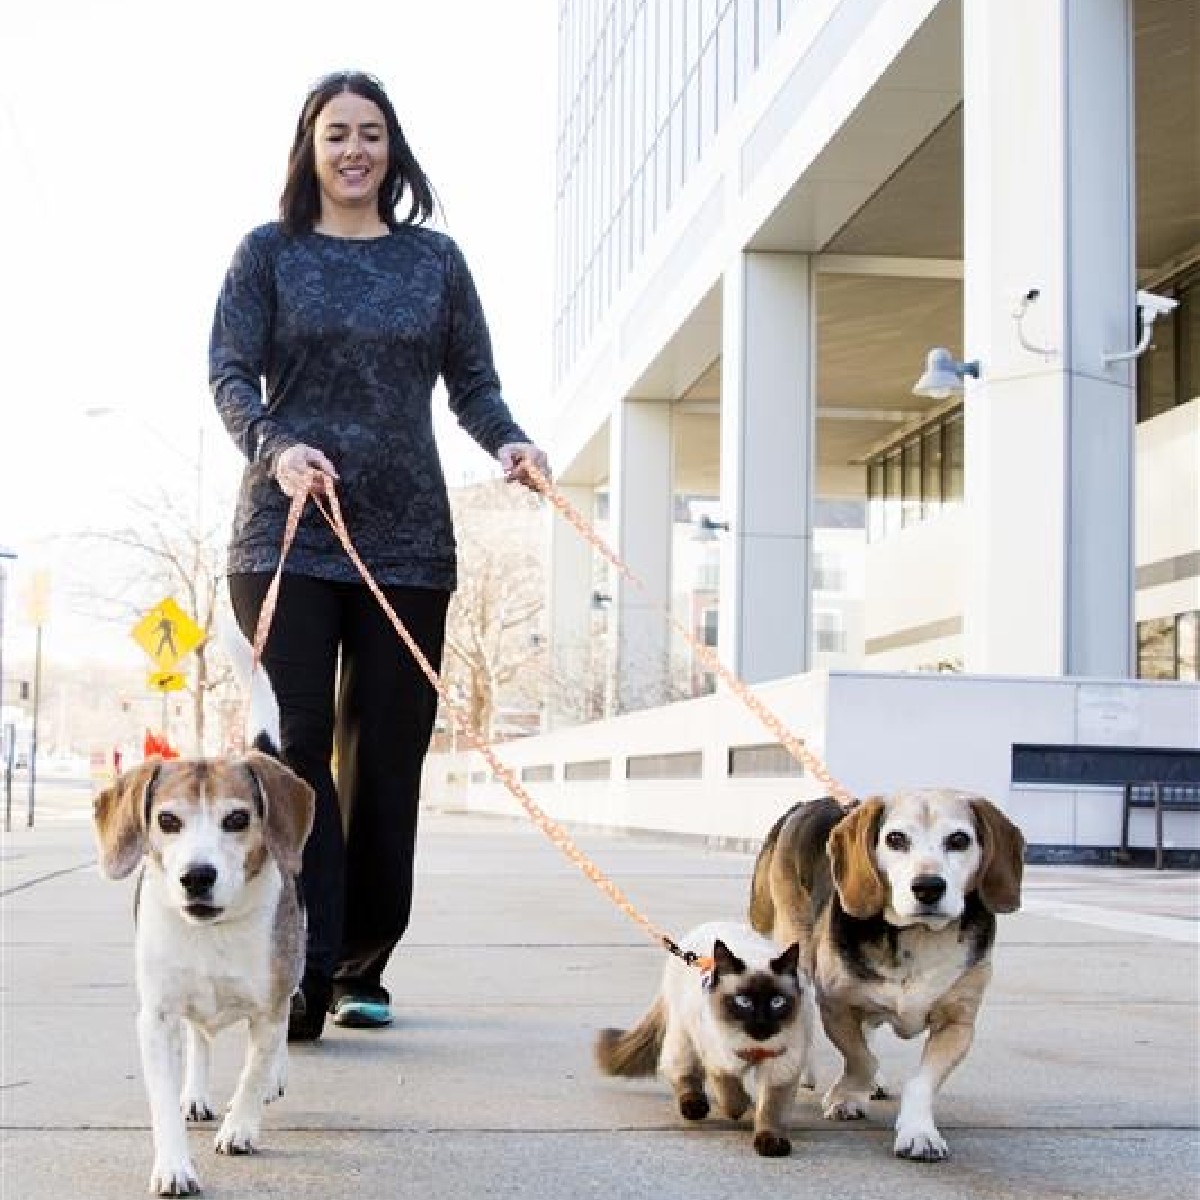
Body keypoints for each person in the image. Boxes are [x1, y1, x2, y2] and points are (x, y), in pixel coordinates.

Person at [209, 69, 549, 1041]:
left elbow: (473, 385)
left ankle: (363, 964)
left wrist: (511, 443)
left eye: (370, 133)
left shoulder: (434, 262)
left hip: (407, 542)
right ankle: (300, 967)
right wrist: (277, 450)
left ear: (391, 148)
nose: (354, 149)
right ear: (308, 149)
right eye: (335, 133)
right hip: (286, 533)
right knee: (300, 746)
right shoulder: (267, 254)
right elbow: (230, 372)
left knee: (386, 760)